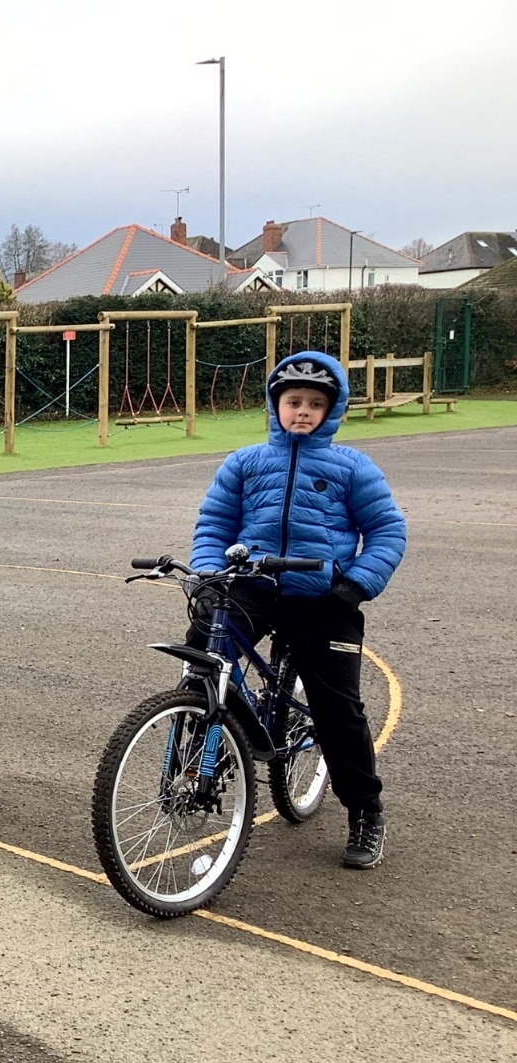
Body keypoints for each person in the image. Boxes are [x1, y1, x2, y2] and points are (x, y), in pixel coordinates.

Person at [192, 350, 407, 869]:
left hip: (323, 596)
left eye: (315, 403)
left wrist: (356, 584)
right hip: (253, 586)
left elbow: (387, 531)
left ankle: (365, 811)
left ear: (332, 410)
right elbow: (215, 524)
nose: (303, 411)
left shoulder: (352, 467)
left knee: (338, 709)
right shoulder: (245, 462)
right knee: (203, 652)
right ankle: (210, 745)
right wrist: (209, 575)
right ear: (276, 405)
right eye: (293, 401)